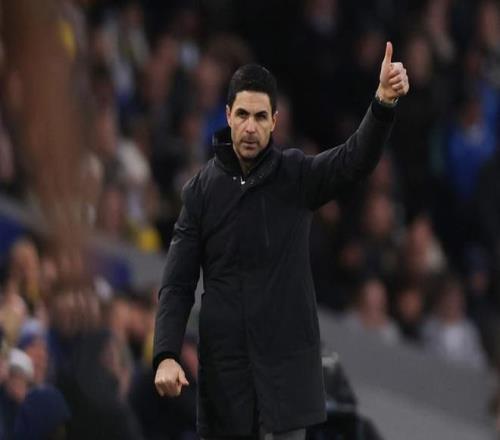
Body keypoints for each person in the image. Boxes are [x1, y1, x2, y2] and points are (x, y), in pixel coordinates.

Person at [153, 42, 409, 439]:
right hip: (226, 384)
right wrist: (166, 354)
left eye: (260, 117)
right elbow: (176, 282)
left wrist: (383, 103)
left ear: (274, 121)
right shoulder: (201, 192)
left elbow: (353, 160)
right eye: (242, 115)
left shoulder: (296, 176)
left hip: (286, 386)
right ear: (228, 115)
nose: (250, 127)